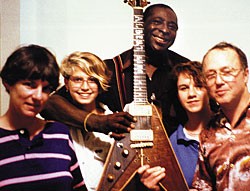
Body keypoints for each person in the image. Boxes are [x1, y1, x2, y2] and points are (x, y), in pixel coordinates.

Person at [40, 3, 189, 137]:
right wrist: (97, 122)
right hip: (125, 159)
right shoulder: (111, 69)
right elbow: (49, 104)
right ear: (141, 25)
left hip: (173, 158)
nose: (164, 30)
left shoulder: (184, 69)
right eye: (157, 22)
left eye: (172, 26)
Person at [0, 45, 87, 191]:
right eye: (29, 85)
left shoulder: (60, 133)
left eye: (46, 89)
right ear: (8, 83)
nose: (38, 96)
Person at [138, 61, 213, 190]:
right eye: (184, 88)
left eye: (199, 86)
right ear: (177, 95)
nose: (191, 94)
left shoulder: (230, 129)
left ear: (210, 90)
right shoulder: (172, 145)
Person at [191, 42, 250, 190]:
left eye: (227, 72)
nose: (218, 81)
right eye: (211, 75)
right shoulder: (208, 134)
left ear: (245, 75)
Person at [59, 51, 115, 191]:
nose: (85, 87)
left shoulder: (115, 121)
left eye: (92, 80)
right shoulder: (54, 124)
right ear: (67, 83)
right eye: (77, 79)